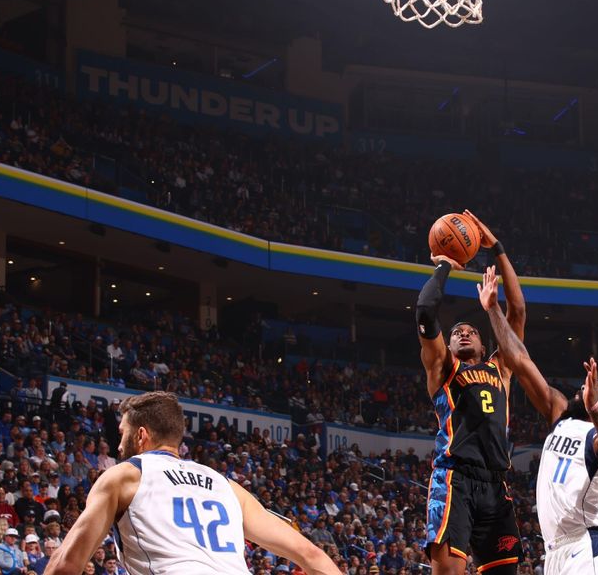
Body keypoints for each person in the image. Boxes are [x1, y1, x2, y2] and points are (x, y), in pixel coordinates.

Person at [45, 391, 343, 575]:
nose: (119, 444)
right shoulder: (229, 487)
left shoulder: (125, 475)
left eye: (123, 433)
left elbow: (65, 566)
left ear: (141, 435)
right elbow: (312, 555)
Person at [477, 266, 598, 575]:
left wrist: (594, 410)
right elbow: (520, 361)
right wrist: (493, 309)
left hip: (589, 548)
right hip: (555, 553)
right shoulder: (561, 413)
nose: (587, 383)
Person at [415, 211, 524, 574]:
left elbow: (518, 311)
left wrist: (498, 249)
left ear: (483, 343)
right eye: (456, 332)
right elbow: (425, 312)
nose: (463, 333)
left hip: (495, 484)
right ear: (448, 344)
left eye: (471, 331)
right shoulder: (444, 368)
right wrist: (445, 266)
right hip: (454, 479)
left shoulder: (501, 368)